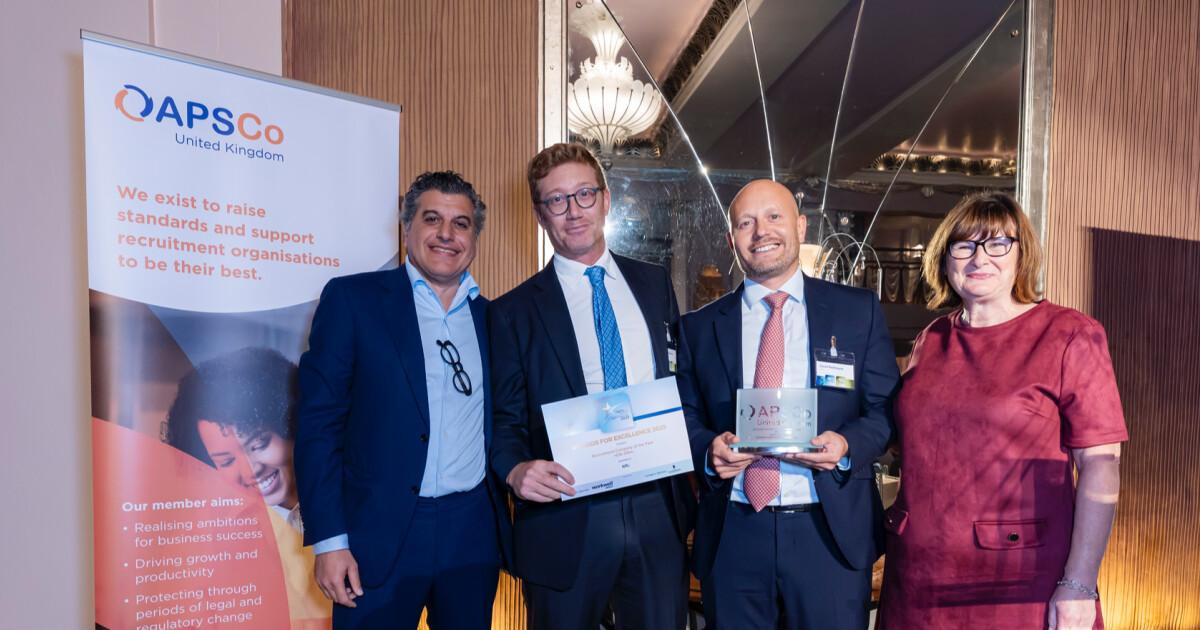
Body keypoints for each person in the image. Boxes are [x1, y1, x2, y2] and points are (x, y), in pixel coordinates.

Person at [876, 192, 1126, 630]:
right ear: (945, 259)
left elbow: (1100, 466)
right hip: (916, 578)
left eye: (997, 244)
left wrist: (1080, 583)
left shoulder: (1069, 334)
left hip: (1018, 582)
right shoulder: (929, 339)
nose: (979, 258)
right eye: (964, 245)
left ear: (1021, 255)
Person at [488, 143, 696, 630]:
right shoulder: (512, 312)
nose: (573, 211)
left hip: (657, 504)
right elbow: (503, 419)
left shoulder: (654, 284)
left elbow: (679, 380)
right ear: (540, 215)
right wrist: (514, 469)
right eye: (556, 200)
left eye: (584, 194)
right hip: (565, 513)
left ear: (605, 200)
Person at [677, 179, 899, 630]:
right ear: (732, 241)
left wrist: (846, 446)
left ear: (800, 227)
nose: (761, 231)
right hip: (734, 533)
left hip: (829, 534)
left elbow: (884, 410)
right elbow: (685, 415)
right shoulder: (699, 327)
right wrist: (707, 449)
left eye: (774, 216)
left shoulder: (857, 311)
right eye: (746, 223)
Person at [294, 171, 512, 630]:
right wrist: (330, 541)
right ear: (406, 225)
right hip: (376, 534)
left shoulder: (494, 318)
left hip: (472, 532)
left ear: (474, 237)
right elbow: (318, 427)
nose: (447, 234)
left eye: (461, 223)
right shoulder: (352, 300)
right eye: (432, 219)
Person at [164, 346, 331, 625]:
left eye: (259, 444)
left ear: (294, 426)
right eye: (226, 461)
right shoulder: (214, 539)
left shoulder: (350, 500)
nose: (250, 470)